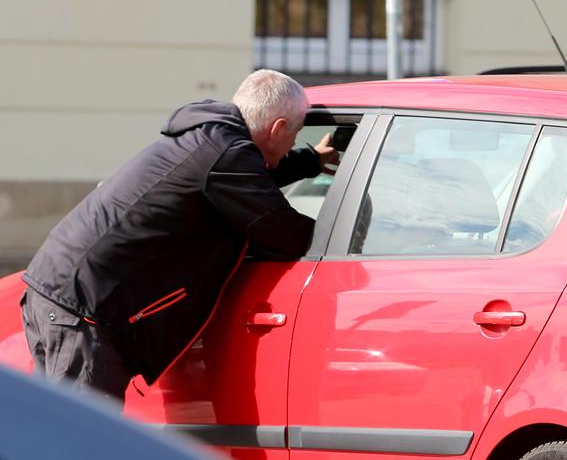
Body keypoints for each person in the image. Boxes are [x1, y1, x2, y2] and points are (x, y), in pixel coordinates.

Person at [20, 68, 338, 404]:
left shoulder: (213, 139)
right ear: (279, 128)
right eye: (296, 134)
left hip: (57, 291)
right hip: (82, 310)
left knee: (59, 440)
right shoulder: (226, 156)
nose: (293, 143)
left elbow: (247, 184)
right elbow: (286, 234)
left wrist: (309, 160)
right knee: (82, 446)